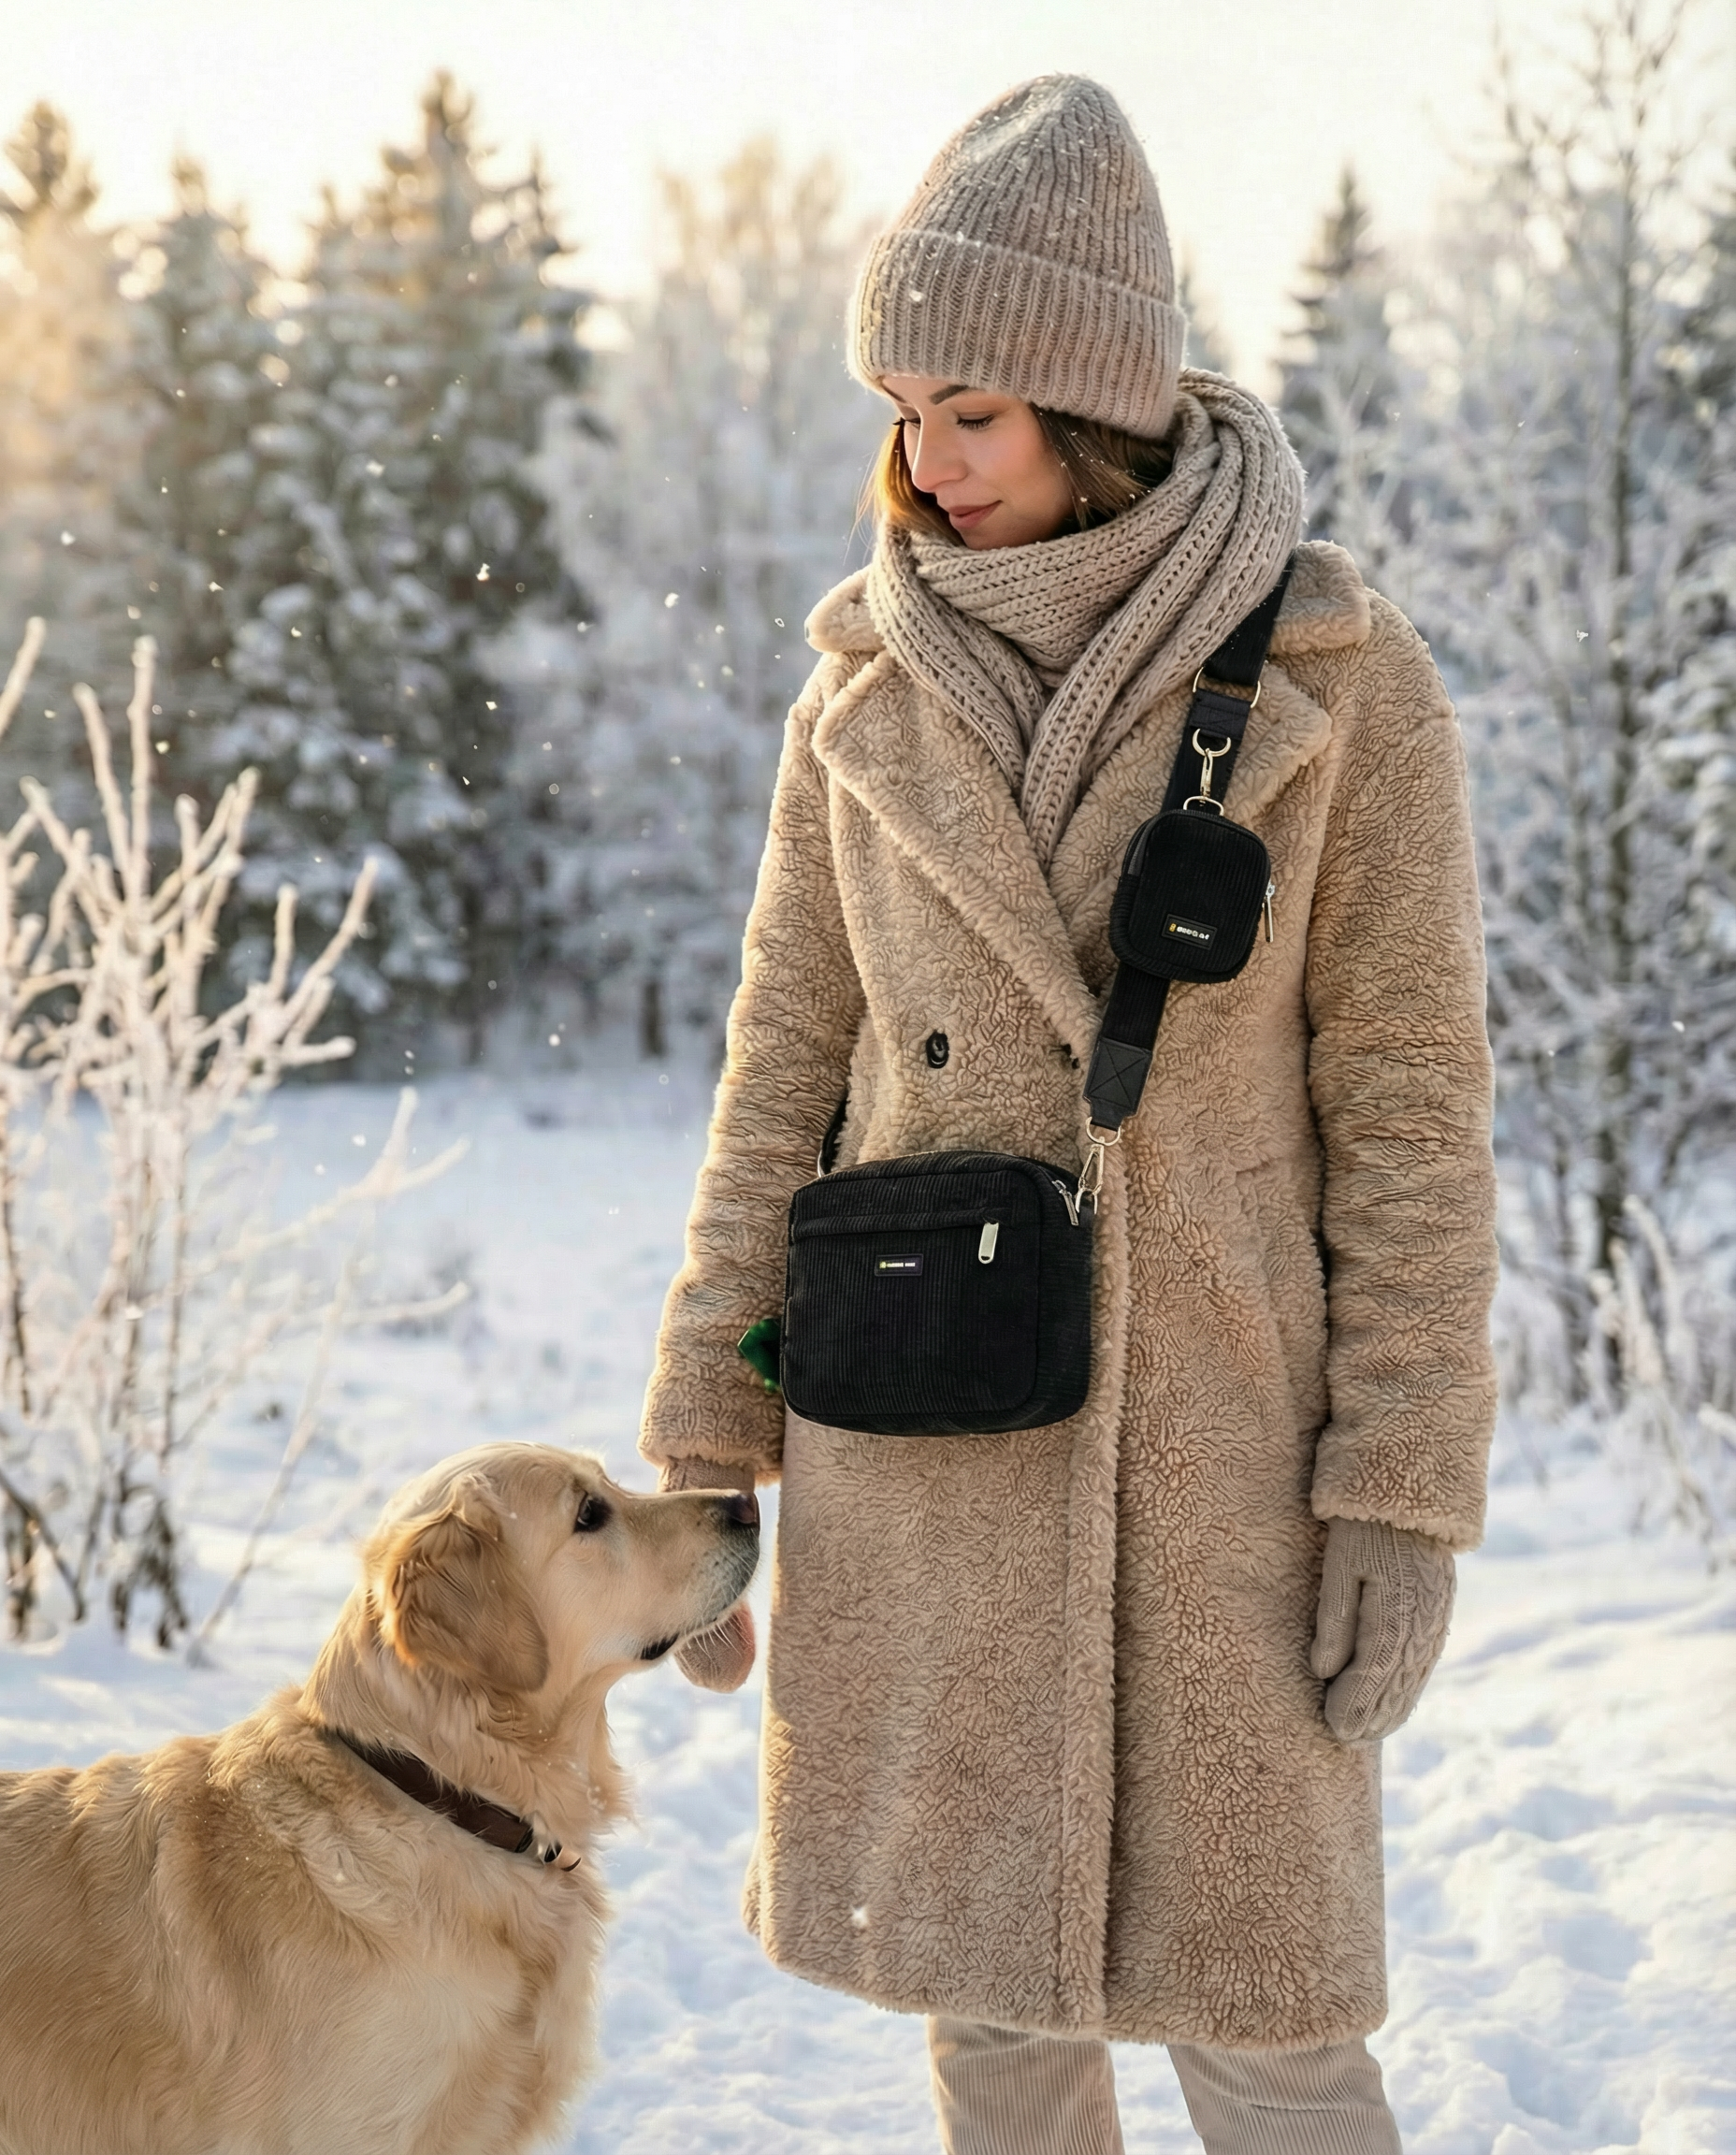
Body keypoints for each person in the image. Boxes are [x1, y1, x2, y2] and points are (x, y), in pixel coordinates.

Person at [640, 75, 1497, 2155]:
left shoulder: (1330, 681)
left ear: (1092, 405)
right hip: (920, 1429)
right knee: (993, 2022)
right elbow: (782, 1068)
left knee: (1268, 2028)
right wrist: (704, 1431)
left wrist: (1399, 1478)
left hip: (1214, 1454)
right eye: (904, 411)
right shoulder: (860, 690)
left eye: (976, 413)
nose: (927, 470)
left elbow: (1406, 1111)